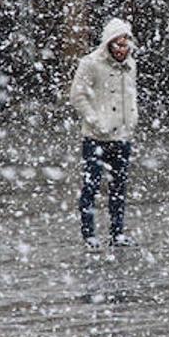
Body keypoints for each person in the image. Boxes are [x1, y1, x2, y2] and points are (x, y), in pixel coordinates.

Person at [69, 17, 138, 249]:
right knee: (91, 186)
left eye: (125, 44)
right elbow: (77, 96)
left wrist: (132, 119)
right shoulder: (91, 64)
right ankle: (89, 234)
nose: (122, 49)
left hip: (122, 136)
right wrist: (96, 121)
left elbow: (130, 95)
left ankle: (117, 232)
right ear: (108, 43)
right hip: (97, 137)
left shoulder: (131, 65)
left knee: (119, 187)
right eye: (117, 44)